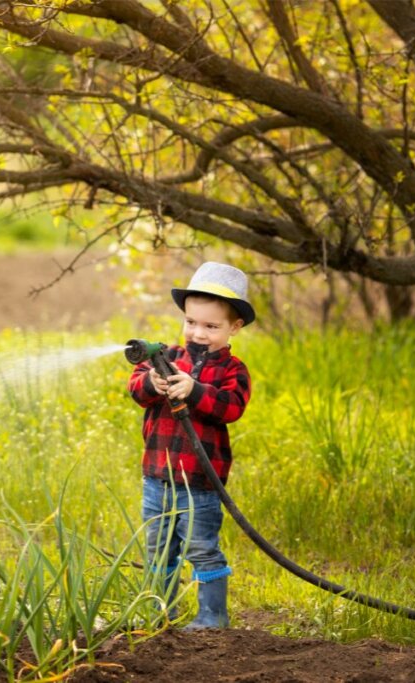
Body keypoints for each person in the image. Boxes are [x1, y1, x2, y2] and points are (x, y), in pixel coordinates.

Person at [127, 261, 254, 630]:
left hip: (199, 482)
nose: (198, 333)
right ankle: (159, 611)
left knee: (201, 548)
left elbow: (231, 407)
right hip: (157, 477)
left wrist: (195, 391)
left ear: (234, 327)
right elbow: (136, 390)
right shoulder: (164, 357)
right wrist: (153, 382)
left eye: (211, 326)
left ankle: (212, 618)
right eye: (191, 322)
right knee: (158, 548)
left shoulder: (233, 369)